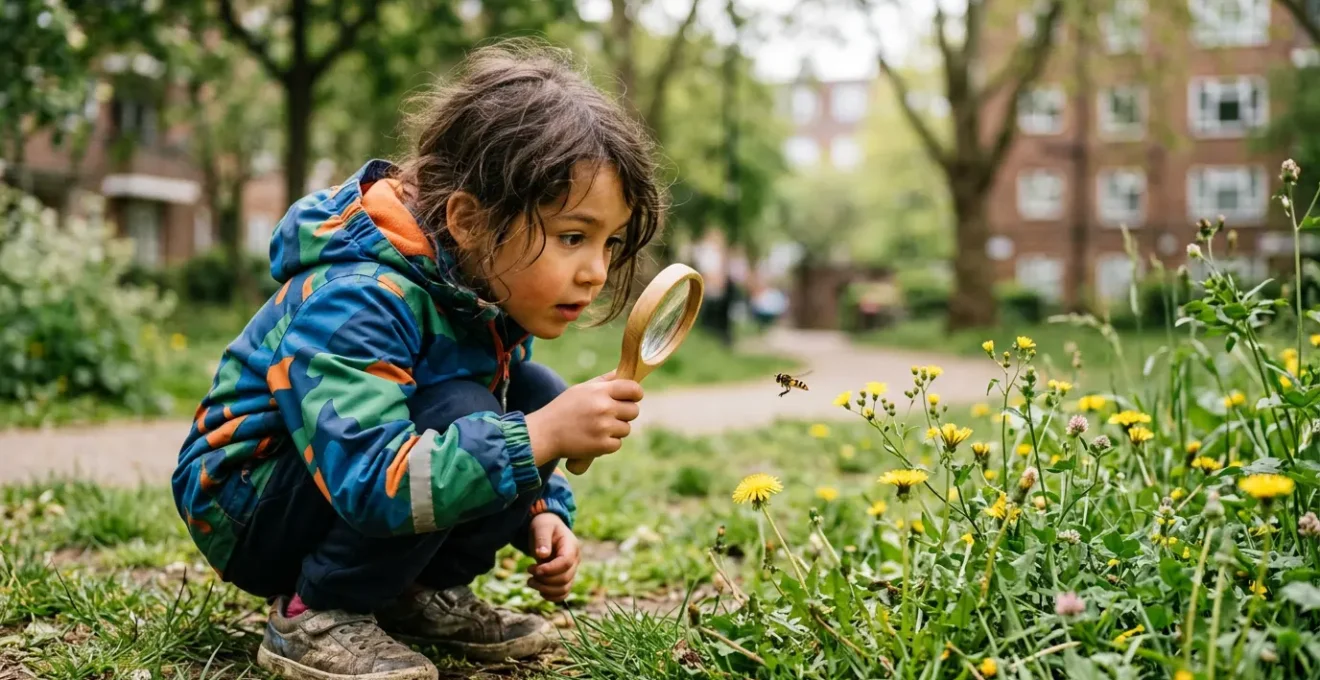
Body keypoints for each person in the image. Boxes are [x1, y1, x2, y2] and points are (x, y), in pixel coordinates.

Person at [171, 40, 664, 680]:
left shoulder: (483, 300)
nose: (595, 271)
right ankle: (315, 611)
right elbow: (370, 482)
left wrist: (543, 510)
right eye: (573, 237)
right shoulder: (358, 300)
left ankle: (413, 594)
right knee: (477, 408)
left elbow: (509, 415)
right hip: (250, 506)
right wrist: (540, 436)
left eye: (610, 242)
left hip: (347, 485)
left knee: (530, 390)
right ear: (467, 220)